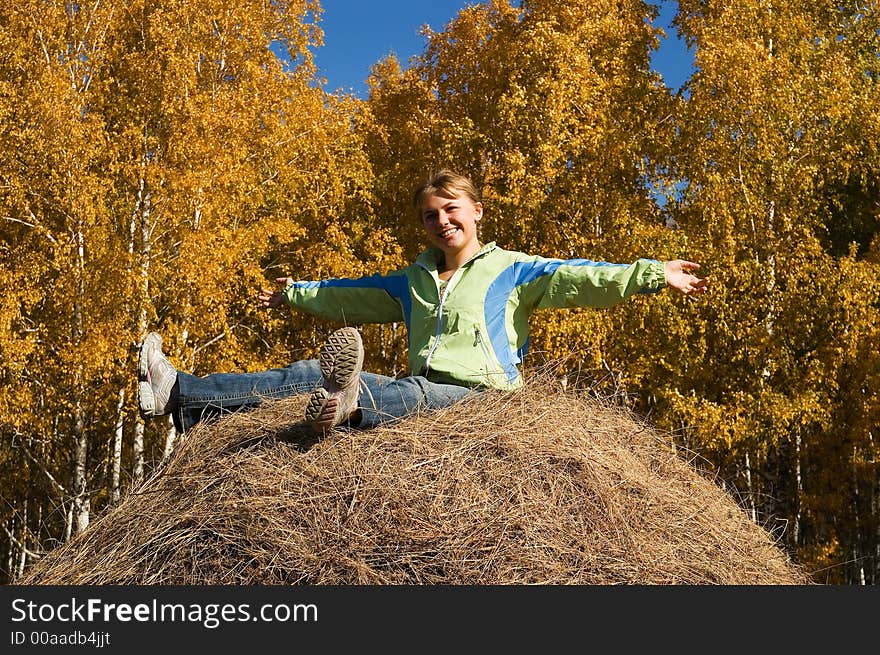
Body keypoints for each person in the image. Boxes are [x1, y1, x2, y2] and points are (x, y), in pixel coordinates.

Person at [138, 169, 709, 435]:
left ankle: (349, 406)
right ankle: (181, 392)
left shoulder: (514, 271)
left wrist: (652, 273)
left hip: (479, 397)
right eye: (431, 216)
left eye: (452, 209)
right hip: (420, 389)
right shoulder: (412, 281)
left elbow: (584, 278)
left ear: (476, 211)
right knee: (315, 371)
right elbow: (352, 296)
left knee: (398, 391)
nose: (442, 222)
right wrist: (293, 293)